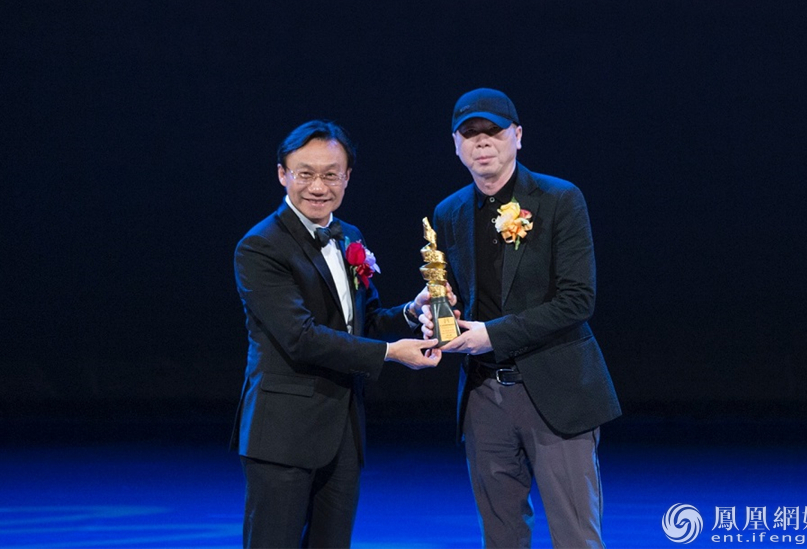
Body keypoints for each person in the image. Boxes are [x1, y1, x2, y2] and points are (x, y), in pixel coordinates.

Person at [421, 88, 621, 548]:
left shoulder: (559, 198)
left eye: (493, 130)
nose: (482, 141)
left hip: (556, 388)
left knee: (575, 535)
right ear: (455, 145)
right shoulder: (450, 212)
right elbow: (457, 296)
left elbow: (577, 300)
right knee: (501, 536)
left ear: (518, 136)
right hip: (483, 396)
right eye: (469, 133)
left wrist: (492, 335)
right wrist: (433, 313)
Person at [231, 119, 440, 549]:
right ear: (282, 174)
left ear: (347, 177)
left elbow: (363, 320)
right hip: (282, 434)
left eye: (330, 175)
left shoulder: (350, 237)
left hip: (342, 431)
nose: (318, 187)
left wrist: (412, 310)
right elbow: (301, 337)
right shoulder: (260, 246)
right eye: (305, 173)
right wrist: (389, 353)